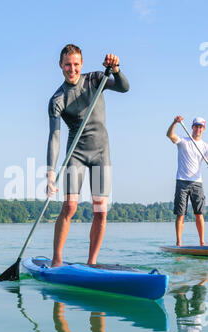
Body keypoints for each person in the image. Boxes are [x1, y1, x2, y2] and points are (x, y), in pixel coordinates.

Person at [46, 44, 129, 267]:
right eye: (67, 64)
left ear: (81, 64)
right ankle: (57, 260)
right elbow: (54, 137)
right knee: (70, 207)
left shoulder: (95, 79)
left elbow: (124, 88)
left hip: (102, 152)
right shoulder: (57, 100)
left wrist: (117, 69)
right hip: (77, 154)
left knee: (101, 210)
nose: (71, 69)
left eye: (75, 64)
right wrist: (50, 172)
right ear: (60, 66)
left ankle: (92, 263)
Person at [167, 115, 208, 246]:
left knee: (199, 214)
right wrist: (175, 122)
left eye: (200, 127)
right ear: (192, 127)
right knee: (180, 214)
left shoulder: (205, 146)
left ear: (203, 129)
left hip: (197, 182)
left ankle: (202, 242)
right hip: (182, 181)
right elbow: (169, 135)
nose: (198, 129)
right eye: (196, 126)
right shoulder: (183, 141)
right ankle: (179, 243)